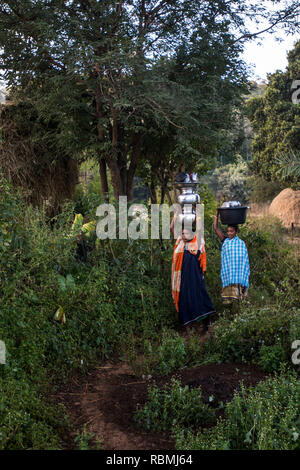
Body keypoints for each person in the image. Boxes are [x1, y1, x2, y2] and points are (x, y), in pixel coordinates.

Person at [170, 214, 216, 335]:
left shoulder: (198, 242)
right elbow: (171, 228)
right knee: (184, 301)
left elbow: (200, 226)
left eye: (187, 234)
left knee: (200, 298)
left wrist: (198, 211)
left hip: (196, 279)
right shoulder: (179, 242)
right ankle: (188, 331)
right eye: (183, 234)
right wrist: (176, 214)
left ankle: (206, 325)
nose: (185, 236)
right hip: (182, 280)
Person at [213, 209, 250, 305]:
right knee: (227, 303)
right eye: (228, 231)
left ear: (236, 232)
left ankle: (237, 311)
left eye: (231, 231)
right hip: (228, 274)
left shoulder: (241, 243)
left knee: (238, 301)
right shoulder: (225, 241)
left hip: (238, 276)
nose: (229, 233)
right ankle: (228, 314)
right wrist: (217, 215)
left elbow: (244, 262)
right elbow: (216, 228)